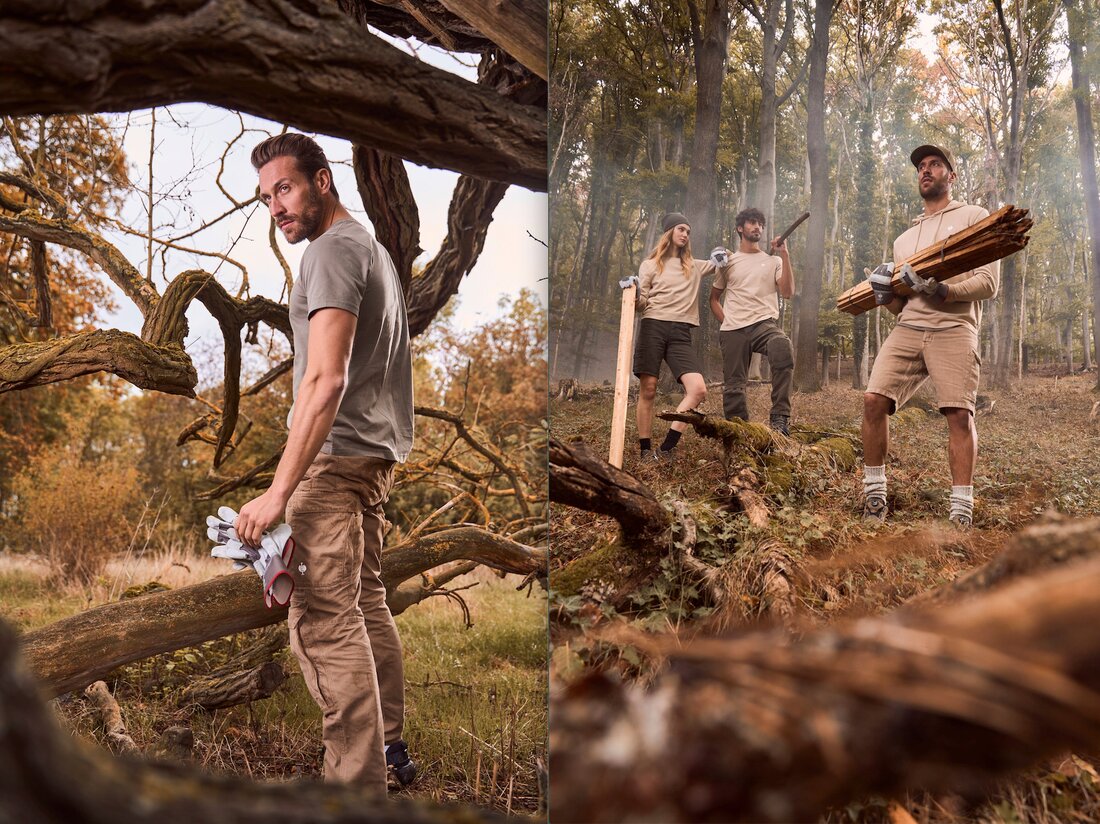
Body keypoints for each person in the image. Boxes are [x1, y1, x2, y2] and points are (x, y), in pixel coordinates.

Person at [233, 133, 416, 794]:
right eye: (266, 197)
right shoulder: (369, 248)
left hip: (335, 466)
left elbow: (326, 380)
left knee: (325, 623)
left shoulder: (332, 252)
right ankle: (390, 751)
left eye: (284, 188)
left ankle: (353, 790)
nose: (276, 207)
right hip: (371, 461)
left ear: (321, 179)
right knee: (367, 604)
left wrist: (280, 492)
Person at [861, 144, 999, 527]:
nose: (926, 170)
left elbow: (988, 283)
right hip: (909, 328)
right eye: (921, 166)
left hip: (954, 328)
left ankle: (960, 510)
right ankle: (874, 495)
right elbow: (903, 307)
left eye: (935, 164)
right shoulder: (904, 240)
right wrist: (884, 296)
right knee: (873, 400)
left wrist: (942, 290)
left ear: (951, 176)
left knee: (958, 414)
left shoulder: (974, 216)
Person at [621, 212, 728, 462]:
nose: (685, 234)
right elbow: (642, 303)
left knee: (698, 389)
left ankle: (667, 448)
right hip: (653, 326)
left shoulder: (695, 266)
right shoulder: (649, 265)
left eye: (688, 232)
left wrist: (722, 251)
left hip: (680, 332)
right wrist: (634, 293)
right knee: (648, 389)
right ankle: (646, 450)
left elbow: (724, 260)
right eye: (681, 229)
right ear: (669, 232)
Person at [708, 207, 796, 435]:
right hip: (733, 330)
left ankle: (780, 419)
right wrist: (727, 322)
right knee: (734, 386)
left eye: (760, 223)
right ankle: (740, 433)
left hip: (763, 324)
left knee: (782, 346)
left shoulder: (774, 260)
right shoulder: (728, 261)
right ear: (740, 228)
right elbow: (714, 299)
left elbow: (787, 292)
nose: (757, 226)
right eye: (752, 222)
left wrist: (785, 254)